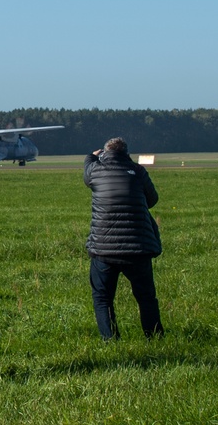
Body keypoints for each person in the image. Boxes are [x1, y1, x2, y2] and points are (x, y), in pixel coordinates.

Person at [83, 137, 165, 340]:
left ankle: (110, 339)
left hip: (104, 248)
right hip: (138, 246)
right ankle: (154, 337)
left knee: (102, 297)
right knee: (146, 297)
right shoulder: (137, 171)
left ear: (104, 153)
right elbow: (152, 199)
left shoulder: (95, 171)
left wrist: (91, 157)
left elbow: (86, 175)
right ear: (126, 153)